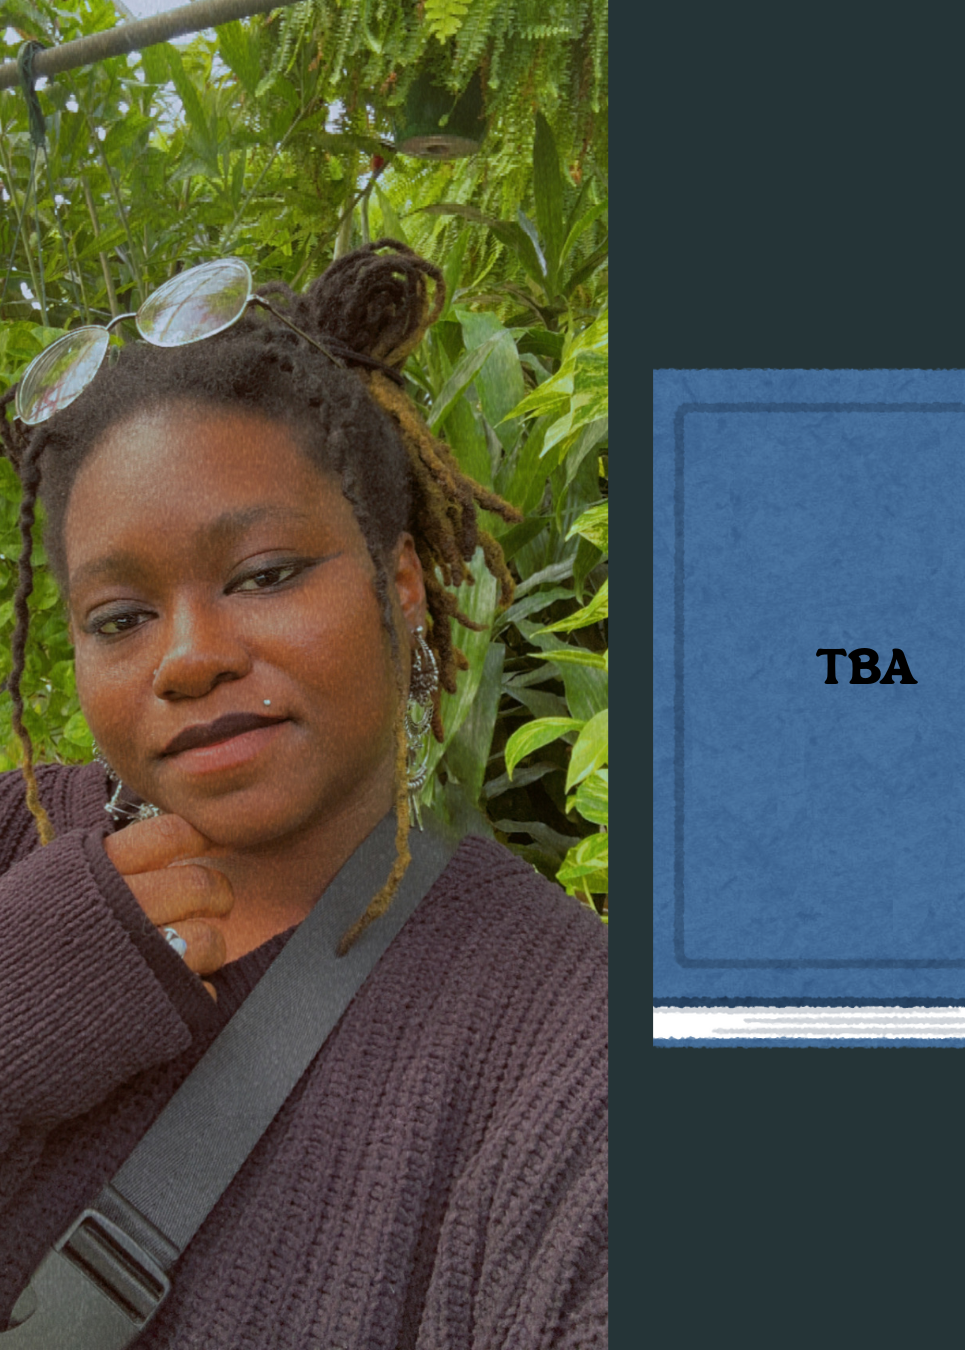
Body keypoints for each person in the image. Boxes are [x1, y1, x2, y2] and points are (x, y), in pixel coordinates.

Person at [0, 241, 608, 1348]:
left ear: (404, 587)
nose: (187, 657)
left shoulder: (566, 1042)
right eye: (120, 617)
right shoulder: (15, 842)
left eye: (265, 575)